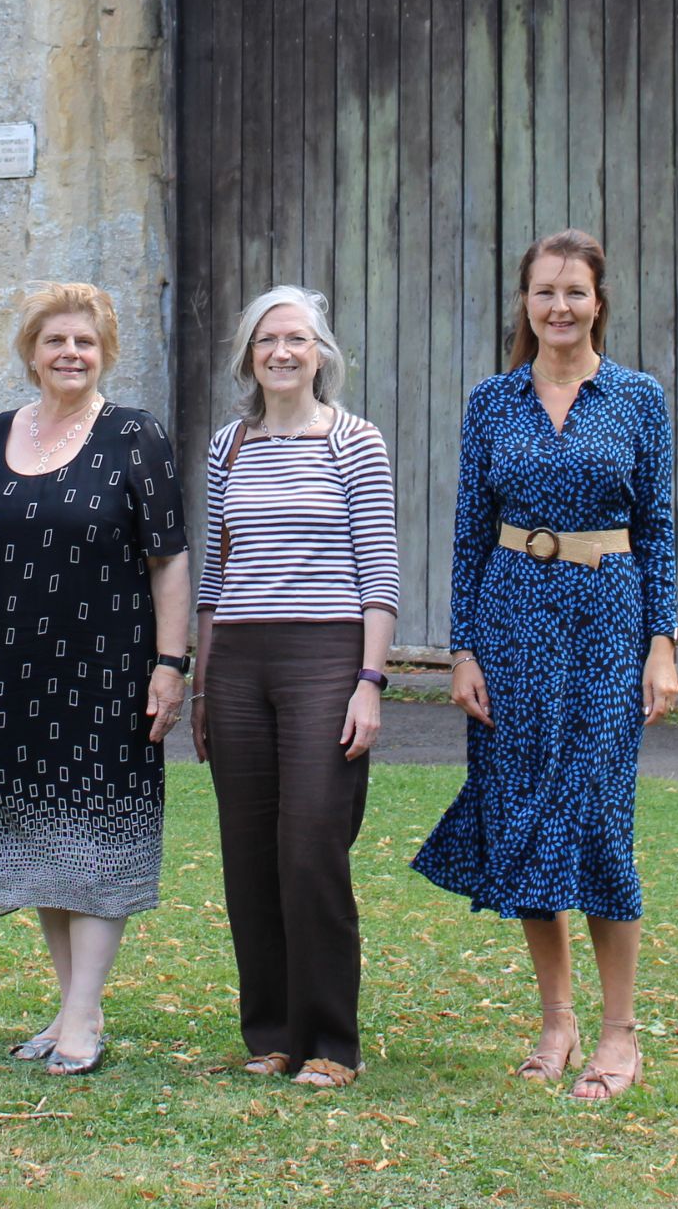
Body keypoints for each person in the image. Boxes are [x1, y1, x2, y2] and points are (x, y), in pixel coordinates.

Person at [412, 229, 678, 1102]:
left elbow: (661, 531)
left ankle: (619, 1034)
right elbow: (465, 532)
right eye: (544, 292)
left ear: (599, 300)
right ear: (524, 304)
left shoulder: (637, 398)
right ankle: (556, 1019)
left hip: (607, 618)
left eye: (574, 291)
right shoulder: (492, 401)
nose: (559, 307)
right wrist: (462, 648)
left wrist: (663, 643)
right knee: (524, 811)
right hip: (511, 618)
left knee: (599, 814)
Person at [0, 281, 190, 1076]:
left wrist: (170, 667)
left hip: (106, 671)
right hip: (7, 674)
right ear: (31, 353)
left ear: (104, 354)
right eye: (56, 342)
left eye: (86, 343)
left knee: (93, 838)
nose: (70, 354)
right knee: (42, 836)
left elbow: (169, 563)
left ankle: (81, 1018)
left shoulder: (135, 435)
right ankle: (76, 1008)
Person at [189, 286, 398, 1088]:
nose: (283, 352)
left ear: (321, 354)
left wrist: (370, 681)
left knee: (311, 847)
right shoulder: (229, 447)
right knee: (248, 855)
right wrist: (203, 683)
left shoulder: (354, 440)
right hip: (238, 661)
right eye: (268, 339)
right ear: (249, 355)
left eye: (299, 339)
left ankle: (331, 1042)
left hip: (326, 658)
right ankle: (272, 1032)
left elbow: (378, 573)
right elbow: (215, 573)